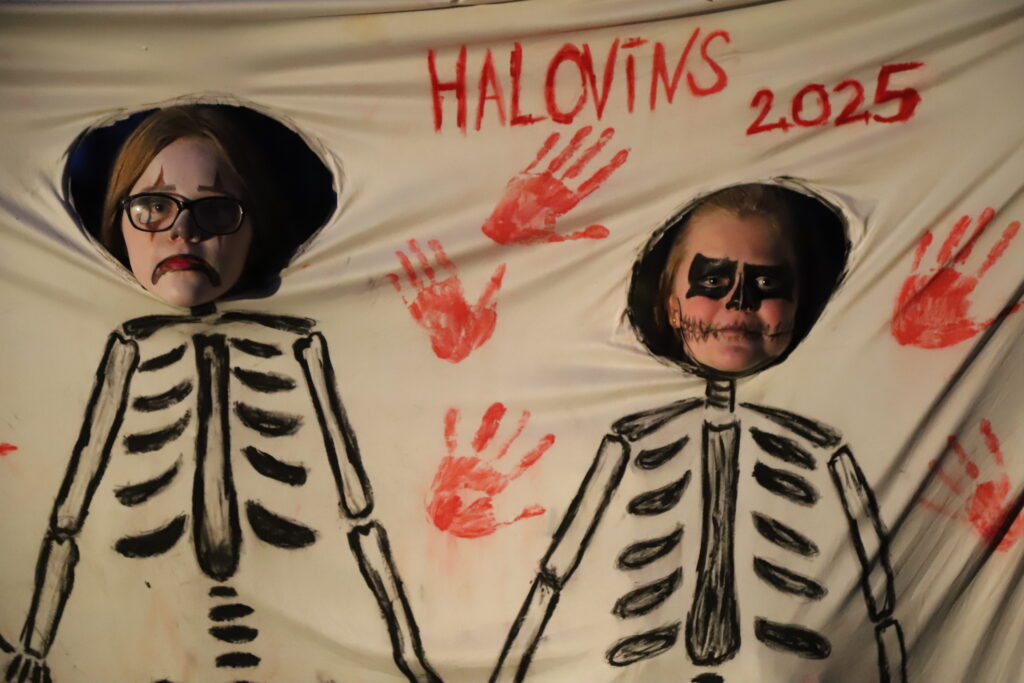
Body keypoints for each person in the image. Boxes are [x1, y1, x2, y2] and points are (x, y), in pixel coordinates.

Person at [3, 106, 439, 683]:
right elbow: (68, 514)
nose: (183, 232)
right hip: (139, 635)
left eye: (216, 210)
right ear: (116, 218)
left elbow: (359, 510)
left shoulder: (301, 342)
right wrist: (34, 651)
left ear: (256, 224)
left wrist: (409, 660)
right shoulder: (119, 346)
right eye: (153, 207)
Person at [492, 184, 905, 683]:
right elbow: (553, 578)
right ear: (671, 307)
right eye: (713, 280)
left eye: (767, 283)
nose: (740, 301)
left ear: (799, 304)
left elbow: (882, 605)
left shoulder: (823, 452)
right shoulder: (631, 441)